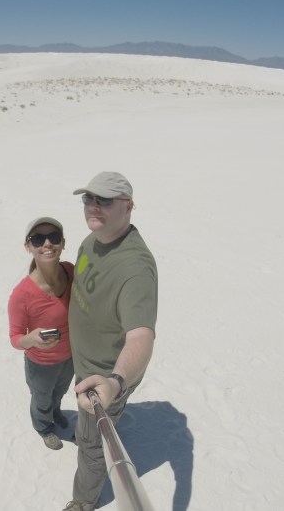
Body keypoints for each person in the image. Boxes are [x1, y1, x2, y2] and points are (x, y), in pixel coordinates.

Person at [63, 172, 158, 511]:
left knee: (90, 443)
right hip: (81, 358)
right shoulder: (91, 240)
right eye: (88, 198)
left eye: (104, 200)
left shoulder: (135, 266)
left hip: (101, 378)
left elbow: (141, 337)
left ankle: (84, 501)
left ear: (129, 206)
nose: (93, 206)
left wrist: (115, 382)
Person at [7, 216, 75, 450]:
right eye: (38, 239)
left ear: (63, 242)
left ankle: (55, 413)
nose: (47, 243)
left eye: (54, 237)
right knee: (41, 399)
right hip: (42, 364)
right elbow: (15, 338)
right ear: (28, 247)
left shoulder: (70, 271)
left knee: (60, 392)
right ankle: (44, 428)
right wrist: (31, 339)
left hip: (70, 357)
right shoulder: (22, 295)